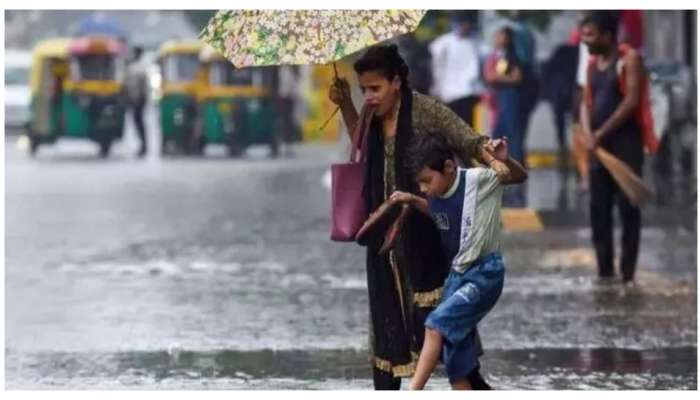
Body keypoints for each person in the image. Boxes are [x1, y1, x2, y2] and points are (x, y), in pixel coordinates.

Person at [328, 44, 509, 390]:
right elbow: (362, 149)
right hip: (384, 241)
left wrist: (494, 156)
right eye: (363, 89)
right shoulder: (369, 115)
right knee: (386, 343)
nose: (368, 96)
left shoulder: (426, 110)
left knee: (451, 344)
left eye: (375, 89)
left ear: (397, 82)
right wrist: (346, 105)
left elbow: (467, 139)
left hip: (427, 238)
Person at [387, 133, 526, 390]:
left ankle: (412, 391)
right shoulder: (434, 193)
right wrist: (412, 200)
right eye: (420, 184)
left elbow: (517, 176)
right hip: (456, 277)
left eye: (427, 181)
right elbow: (441, 214)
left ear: (449, 168)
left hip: (484, 274)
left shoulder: (478, 179)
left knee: (435, 325)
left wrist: (505, 161)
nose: (424, 189)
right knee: (455, 360)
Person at [580, 11, 656, 285]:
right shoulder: (591, 64)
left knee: (628, 210)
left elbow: (632, 100)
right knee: (598, 210)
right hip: (599, 150)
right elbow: (585, 101)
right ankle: (604, 272)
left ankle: (627, 274)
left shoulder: (629, 59)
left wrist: (600, 133)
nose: (586, 42)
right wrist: (589, 133)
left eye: (591, 36)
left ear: (608, 36)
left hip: (625, 146)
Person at [484, 26, 526, 207]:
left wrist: (497, 78)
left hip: (511, 99)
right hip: (500, 100)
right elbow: (489, 76)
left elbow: (516, 78)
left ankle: (515, 174)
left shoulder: (512, 56)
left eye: (500, 35)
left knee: (512, 138)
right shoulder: (496, 55)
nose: (497, 38)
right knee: (497, 135)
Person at [428, 11, 484, 128]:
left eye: (468, 23)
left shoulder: (475, 43)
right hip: (449, 93)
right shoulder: (443, 43)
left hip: (469, 92)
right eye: (463, 23)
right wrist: (437, 88)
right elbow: (437, 66)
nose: (465, 27)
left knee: (467, 127)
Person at [125, 45, 149, 158]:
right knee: (137, 123)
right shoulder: (133, 66)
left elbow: (143, 87)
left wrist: (140, 99)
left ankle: (144, 146)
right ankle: (143, 146)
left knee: (139, 123)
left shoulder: (140, 68)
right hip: (133, 99)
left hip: (138, 100)